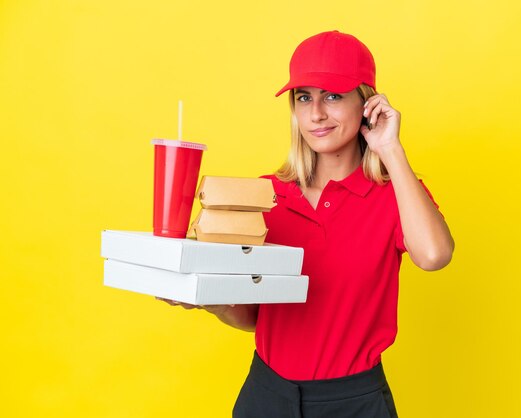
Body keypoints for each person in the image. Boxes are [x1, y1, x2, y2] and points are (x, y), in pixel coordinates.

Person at [159, 30, 455, 417]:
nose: (316, 114)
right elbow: (256, 319)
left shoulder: (394, 193)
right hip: (266, 395)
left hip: (353, 402)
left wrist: (390, 149)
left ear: (367, 104)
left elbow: (434, 255)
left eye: (333, 96)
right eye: (304, 98)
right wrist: (211, 300)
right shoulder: (266, 196)